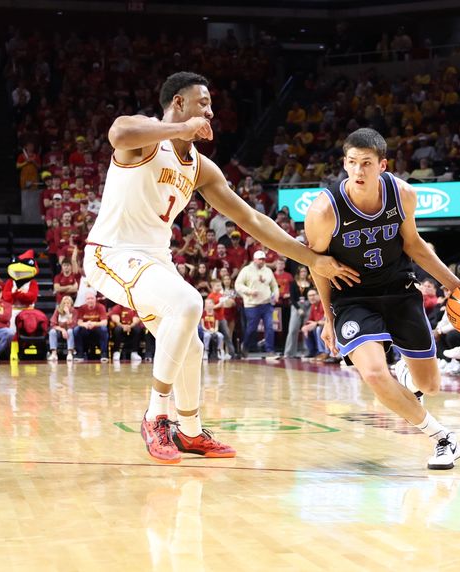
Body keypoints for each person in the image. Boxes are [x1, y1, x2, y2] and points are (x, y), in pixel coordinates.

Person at [83, 72, 358, 464]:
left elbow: (253, 220)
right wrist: (179, 127)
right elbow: (118, 133)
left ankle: (190, 432)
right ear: (178, 103)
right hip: (111, 253)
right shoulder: (144, 139)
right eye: (203, 103)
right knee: (189, 303)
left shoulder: (200, 167)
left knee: (190, 346)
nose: (210, 112)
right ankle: (156, 414)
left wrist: (311, 258)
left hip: (154, 260)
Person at [304, 127, 460, 470]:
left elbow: (414, 245)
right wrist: (328, 319)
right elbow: (317, 266)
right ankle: (442, 438)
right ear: (344, 164)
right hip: (353, 299)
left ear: (383, 165)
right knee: (375, 374)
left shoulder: (402, 194)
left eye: (366, 163)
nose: (358, 171)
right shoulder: (323, 211)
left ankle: (407, 379)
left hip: (399, 290)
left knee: (430, 386)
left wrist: (455, 285)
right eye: (351, 163)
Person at [235, 250, 279, 357]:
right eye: (260, 259)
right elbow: (238, 285)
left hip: (266, 303)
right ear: (254, 260)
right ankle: (245, 346)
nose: (262, 261)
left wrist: (276, 294)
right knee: (252, 328)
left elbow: (274, 285)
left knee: (269, 326)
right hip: (252, 305)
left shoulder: (268, 271)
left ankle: (270, 350)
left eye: (263, 259)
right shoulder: (246, 270)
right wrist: (249, 291)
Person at [73, 291, 109, 362]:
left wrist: (94, 324)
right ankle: (80, 354)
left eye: (92, 298)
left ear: (95, 299)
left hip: (97, 329)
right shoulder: (82, 308)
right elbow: (79, 322)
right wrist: (85, 324)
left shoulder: (101, 307)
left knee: (104, 329)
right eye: (88, 299)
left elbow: (104, 322)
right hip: (86, 329)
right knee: (76, 330)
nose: (90, 300)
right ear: (85, 300)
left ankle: (104, 354)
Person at [48, 295, 78, 362]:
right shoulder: (58, 310)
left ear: (71, 304)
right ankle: (54, 353)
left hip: (69, 331)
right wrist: (62, 330)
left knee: (70, 331)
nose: (66, 305)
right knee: (52, 331)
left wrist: (67, 314)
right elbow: (53, 324)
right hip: (59, 331)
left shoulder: (74, 311)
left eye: (68, 303)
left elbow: (73, 325)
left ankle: (70, 353)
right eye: (64, 303)